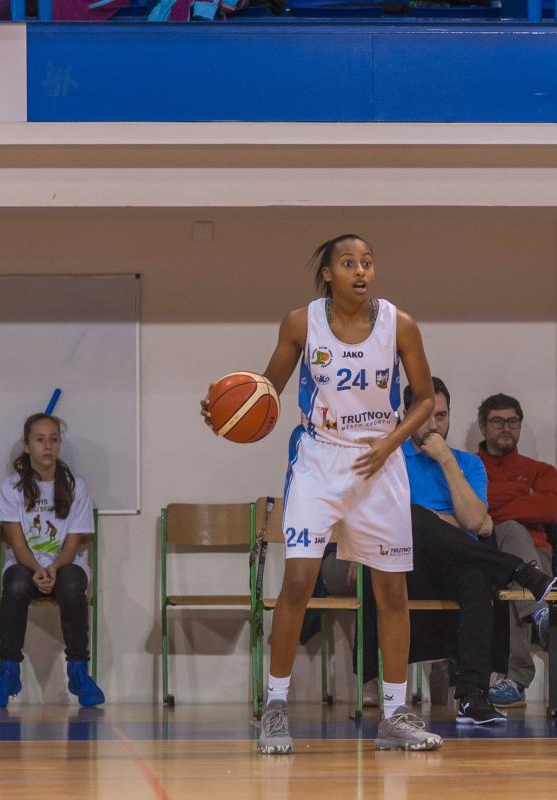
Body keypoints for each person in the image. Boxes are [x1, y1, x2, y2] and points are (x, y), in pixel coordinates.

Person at [202, 234, 441, 754]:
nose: (361, 271)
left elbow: (424, 400)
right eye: (349, 263)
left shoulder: (400, 324)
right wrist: (225, 410)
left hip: (380, 461)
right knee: (298, 581)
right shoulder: (300, 323)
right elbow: (265, 392)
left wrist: (391, 442)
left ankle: (395, 715)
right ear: (328, 274)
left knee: (392, 593)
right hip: (319, 460)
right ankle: (275, 706)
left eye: (368, 262)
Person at [400, 378, 555, 725]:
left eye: (441, 416)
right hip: (407, 566)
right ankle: (516, 569)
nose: (434, 425)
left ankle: (472, 696)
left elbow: (474, 522)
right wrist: (442, 519)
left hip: (458, 563)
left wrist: (446, 460)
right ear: (407, 416)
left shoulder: (467, 464)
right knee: (412, 516)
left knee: (475, 579)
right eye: (425, 416)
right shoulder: (393, 460)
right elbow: (394, 518)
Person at [0, 413, 104, 708]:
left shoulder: (76, 486)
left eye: (53, 439)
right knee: (15, 585)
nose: (47, 446)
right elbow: (17, 543)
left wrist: (53, 568)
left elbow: (72, 545)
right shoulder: (10, 487)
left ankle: (78, 671)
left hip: (64, 565)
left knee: (72, 585)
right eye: (40, 440)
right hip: (25, 565)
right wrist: (38, 568)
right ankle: (8, 671)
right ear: (27, 446)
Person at [474, 393, 557, 708]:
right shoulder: (469, 466)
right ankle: (538, 611)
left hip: (535, 553)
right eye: (498, 421)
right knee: (512, 535)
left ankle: (515, 680)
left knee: (519, 573)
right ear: (484, 426)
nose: (506, 428)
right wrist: (520, 494)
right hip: (483, 552)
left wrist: (493, 507)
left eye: (513, 421)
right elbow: (467, 508)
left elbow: (550, 509)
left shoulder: (541, 471)